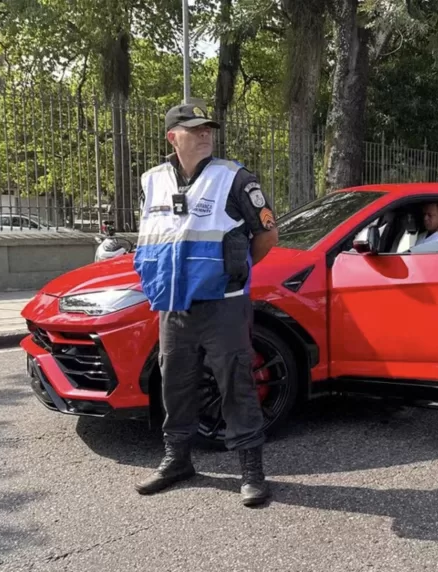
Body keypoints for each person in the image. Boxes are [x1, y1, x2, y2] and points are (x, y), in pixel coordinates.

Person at [133, 102, 280, 507]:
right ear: (172, 137)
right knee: (175, 385)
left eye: (208, 129)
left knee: (236, 384)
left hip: (224, 305)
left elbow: (267, 235)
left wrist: (235, 270)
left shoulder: (234, 178)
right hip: (174, 305)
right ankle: (178, 460)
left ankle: (252, 473)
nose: (205, 134)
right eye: (195, 129)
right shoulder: (151, 181)